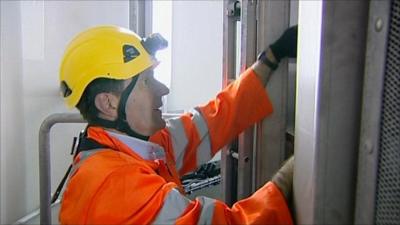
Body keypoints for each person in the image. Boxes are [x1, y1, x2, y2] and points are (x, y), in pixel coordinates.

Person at [58, 25, 297, 224]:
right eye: (146, 81)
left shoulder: (139, 146)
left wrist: (270, 58)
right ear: (108, 104)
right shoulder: (112, 185)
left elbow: (210, 123)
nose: (163, 89)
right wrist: (294, 172)